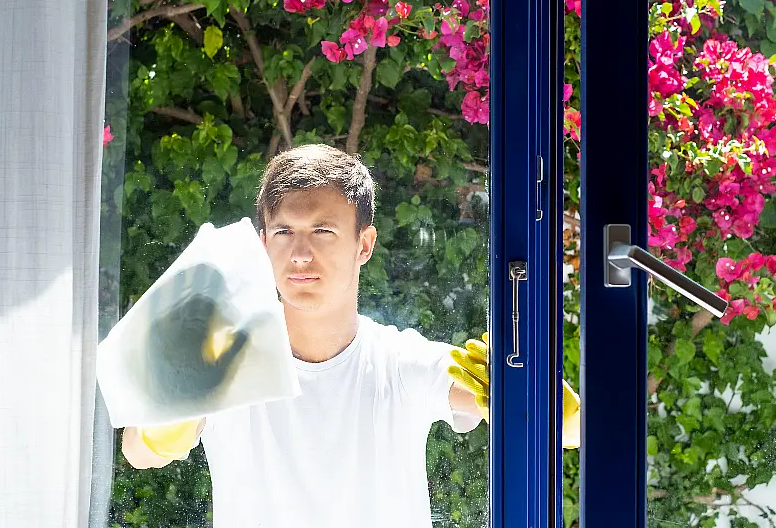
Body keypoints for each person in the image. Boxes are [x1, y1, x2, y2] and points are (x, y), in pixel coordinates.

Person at [121, 144, 579, 528]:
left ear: (364, 244)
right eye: (284, 231)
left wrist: (533, 389)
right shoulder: (226, 363)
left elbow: (572, 431)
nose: (300, 253)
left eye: (322, 230)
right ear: (263, 245)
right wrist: (173, 415)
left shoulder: (399, 364)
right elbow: (138, 451)